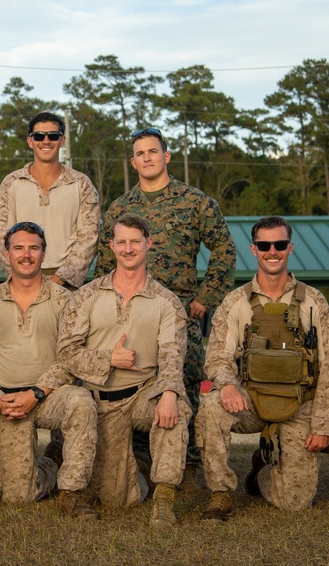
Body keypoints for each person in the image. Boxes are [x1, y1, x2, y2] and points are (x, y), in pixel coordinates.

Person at [96, 127, 235, 490]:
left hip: (179, 311)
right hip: (132, 313)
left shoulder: (195, 202)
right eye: (140, 153)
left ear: (166, 156)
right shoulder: (121, 208)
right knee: (136, 383)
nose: (147, 158)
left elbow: (224, 250)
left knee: (184, 386)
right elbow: (101, 262)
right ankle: (142, 461)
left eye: (153, 151)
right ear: (133, 161)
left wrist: (206, 297)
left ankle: (187, 467)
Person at [196, 216, 329, 521]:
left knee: (295, 502)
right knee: (211, 406)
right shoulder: (235, 302)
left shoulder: (314, 302)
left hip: (299, 405)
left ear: (290, 247)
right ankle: (220, 493)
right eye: (265, 245)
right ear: (254, 249)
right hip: (251, 400)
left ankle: (263, 469)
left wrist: (324, 426)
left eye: (279, 244)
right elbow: (217, 357)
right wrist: (226, 385)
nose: (272, 251)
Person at [58, 213, 191, 529]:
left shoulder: (166, 301)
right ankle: (140, 471)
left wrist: (170, 392)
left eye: (135, 241)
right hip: (100, 400)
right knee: (119, 498)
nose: (129, 248)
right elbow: (65, 354)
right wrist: (108, 359)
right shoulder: (87, 296)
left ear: (149, 244)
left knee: (175, 408)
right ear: (111, 245)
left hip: (143, 392)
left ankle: (164, 500)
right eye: (122, 242)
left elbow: (173, 357)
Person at [0, 221, 98, 517]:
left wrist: (38, 392)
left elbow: (71, 356)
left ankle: (71, 491)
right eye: (19, 248)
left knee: (82, 402)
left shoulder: (65, 301)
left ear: (44, 253)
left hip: (52, 394)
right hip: (8, 401)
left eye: (33, 248)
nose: (26, 254)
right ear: (7, 253)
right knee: (18, 496)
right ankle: (51, 463)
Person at [0, 111, 100, 290]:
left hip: (67, 286)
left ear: (62, 140)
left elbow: (90, 237)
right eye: (39, 136)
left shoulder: (81, 184)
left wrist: (62, 278)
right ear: (30, 141)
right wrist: (20, 277)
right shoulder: (11, 183)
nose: (46, 141)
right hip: (22, 281)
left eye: (53, 136)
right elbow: (0, 236)